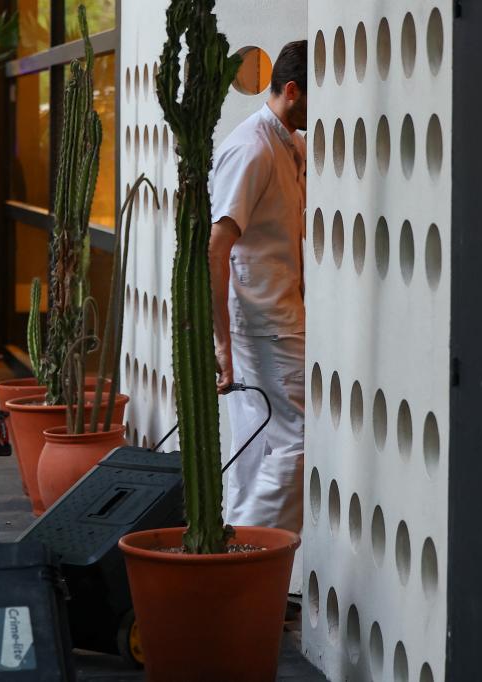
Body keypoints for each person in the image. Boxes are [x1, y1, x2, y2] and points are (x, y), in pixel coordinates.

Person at [208, 40, 308, 534]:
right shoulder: (252, 148)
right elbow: (215, 246)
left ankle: (238, 561)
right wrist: (221, 343)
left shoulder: (289, 141)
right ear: (292, 90)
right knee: (296, 442)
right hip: (265, 323)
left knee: (260, 443)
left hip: (277, 315)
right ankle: (244, 557)